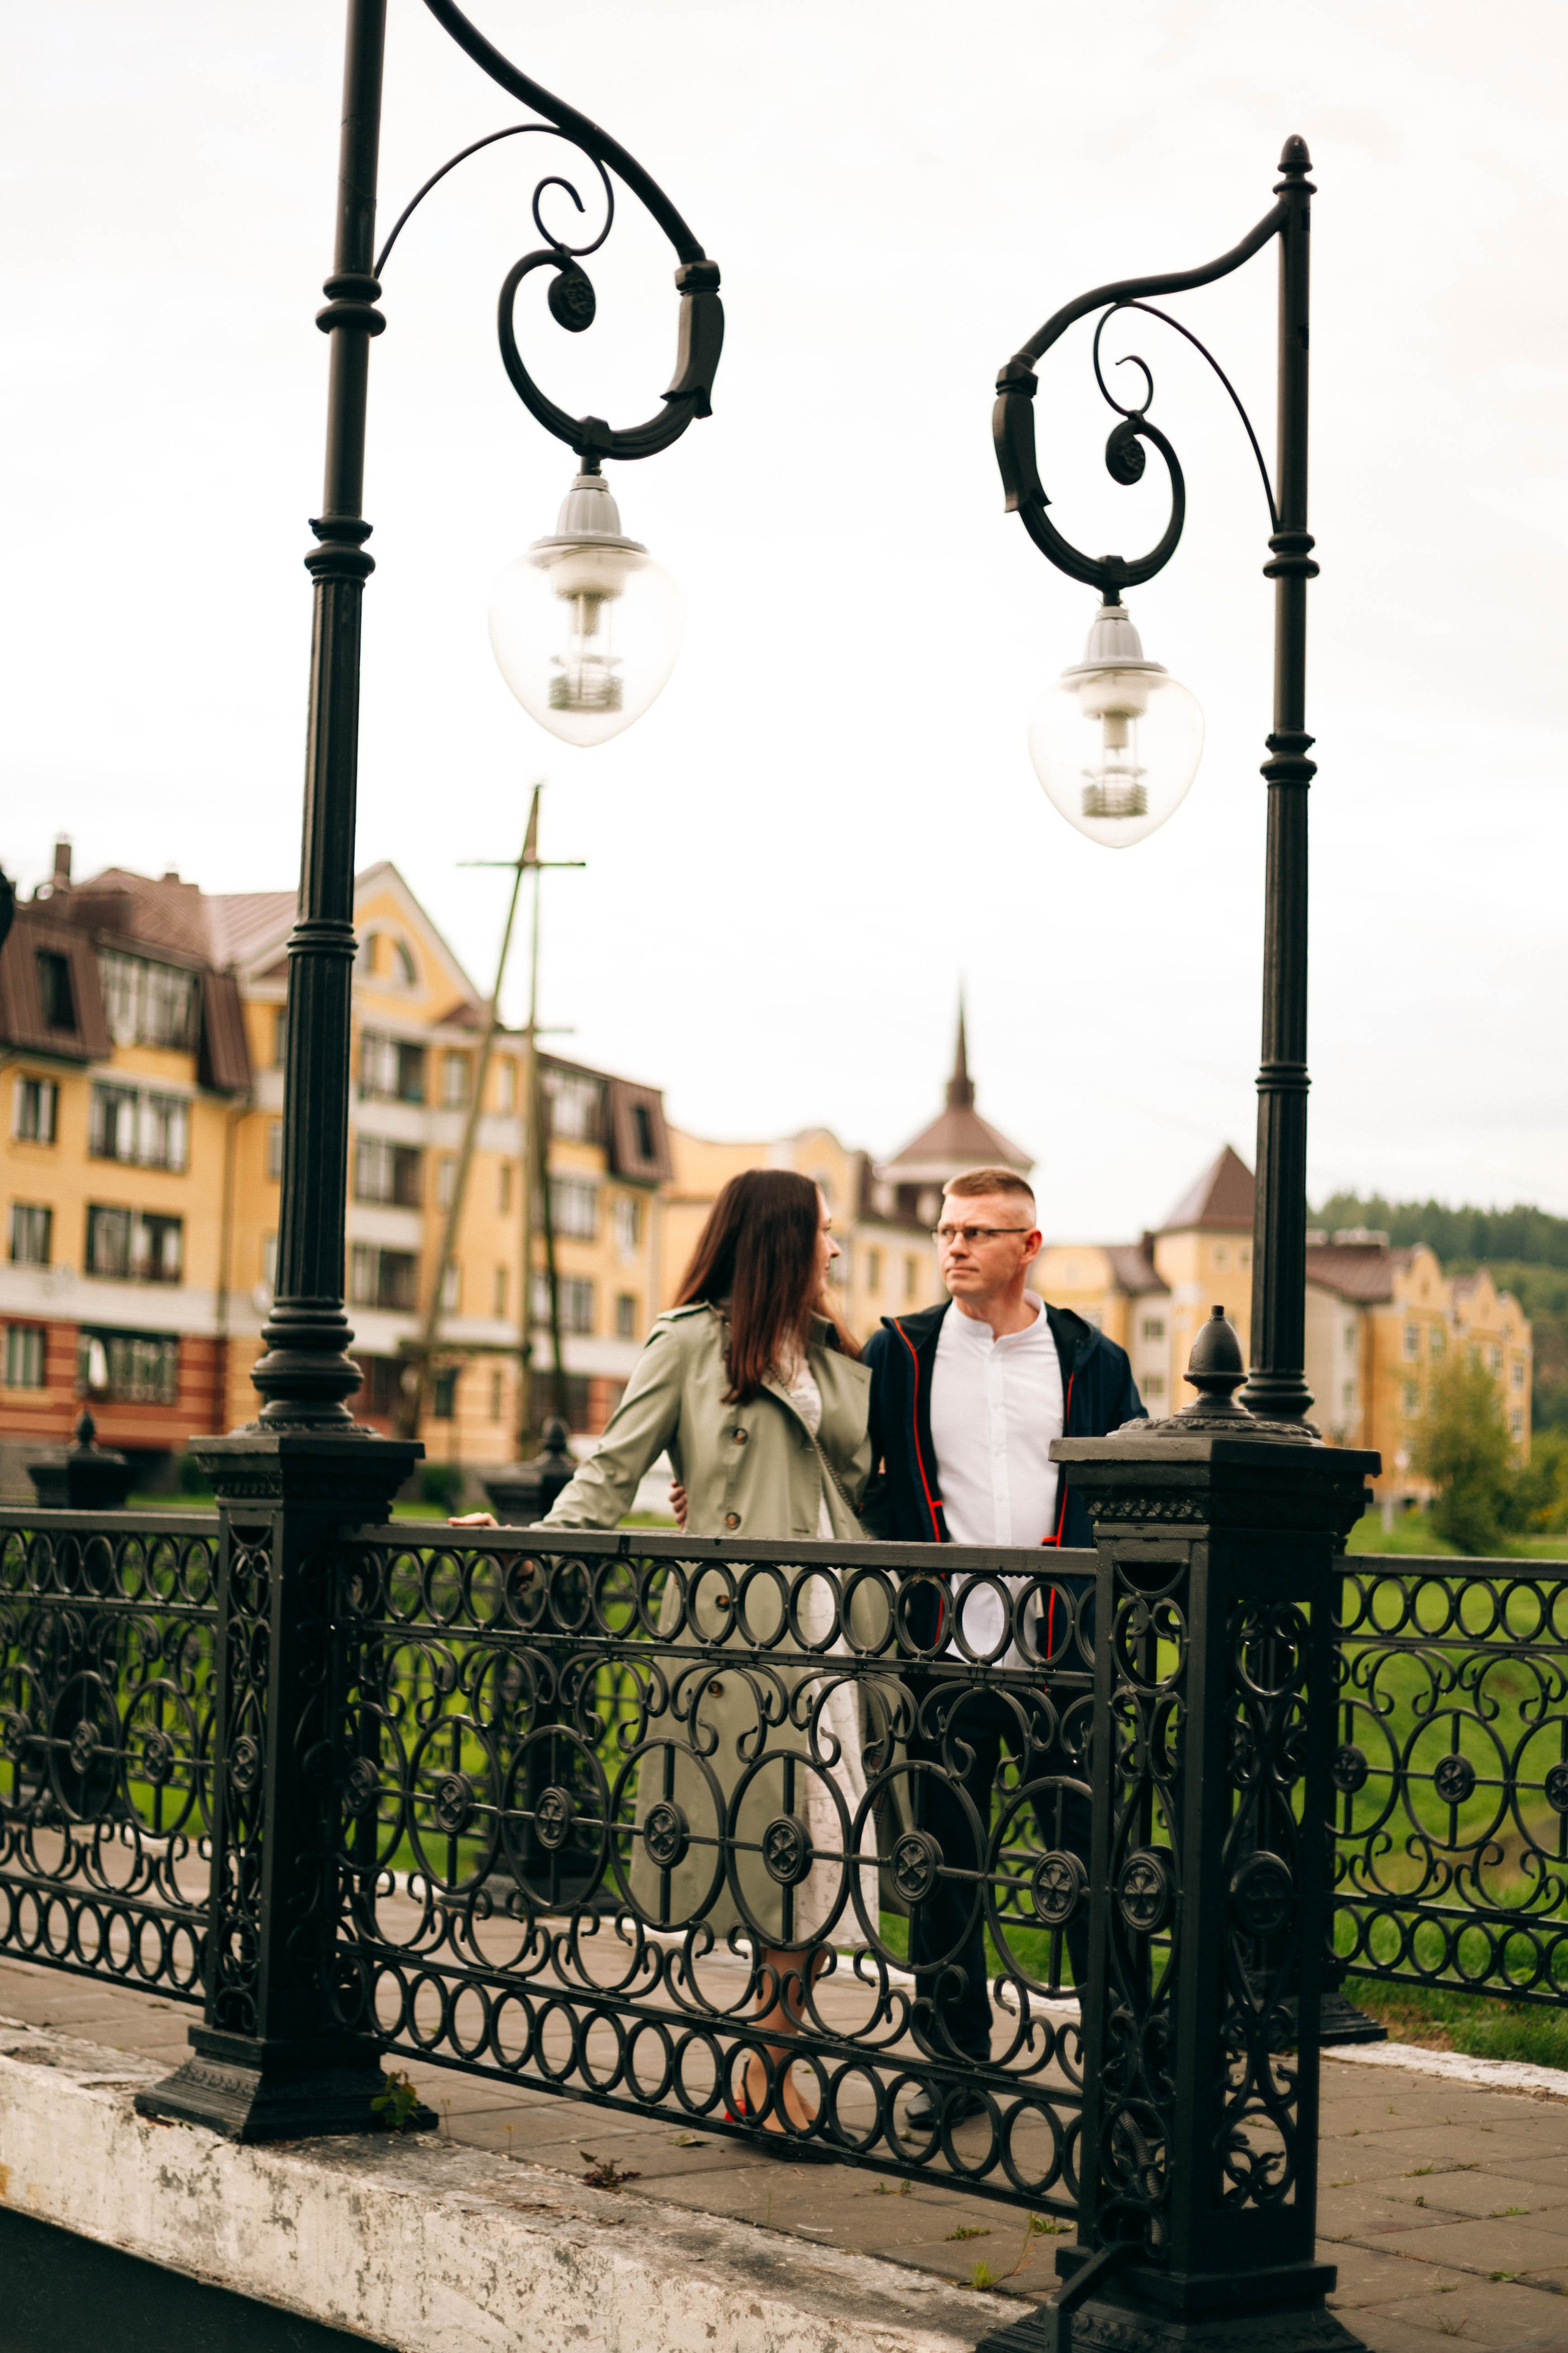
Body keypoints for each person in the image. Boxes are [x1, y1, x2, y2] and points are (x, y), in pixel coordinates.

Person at [530, 1168, 879, 2142]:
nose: (837, 1252)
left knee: (828, 1851)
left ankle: (772, 2056)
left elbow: (856, 1479)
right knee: (773, 1846)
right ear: (779, 1240)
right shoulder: (686, 1344)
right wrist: (530, 1549)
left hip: (833, 1620)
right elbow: (611, 1471)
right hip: (738, 1633)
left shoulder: (833, 1350)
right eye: (823, 1234)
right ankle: (769, 2068)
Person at [861, 1165, 1144, 2127]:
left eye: (978, 1233)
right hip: (943, 1656)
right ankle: (956, 2070)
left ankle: (1133, 2063)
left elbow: (1135, 1493)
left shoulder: (1090, 1359)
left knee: (1094, 1859)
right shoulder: (900, 1350)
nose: (954, 1247)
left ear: (1028, 1247)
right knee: (940, 1865)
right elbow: (845, 1460)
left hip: (1065, 1661)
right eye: (947, 1231)